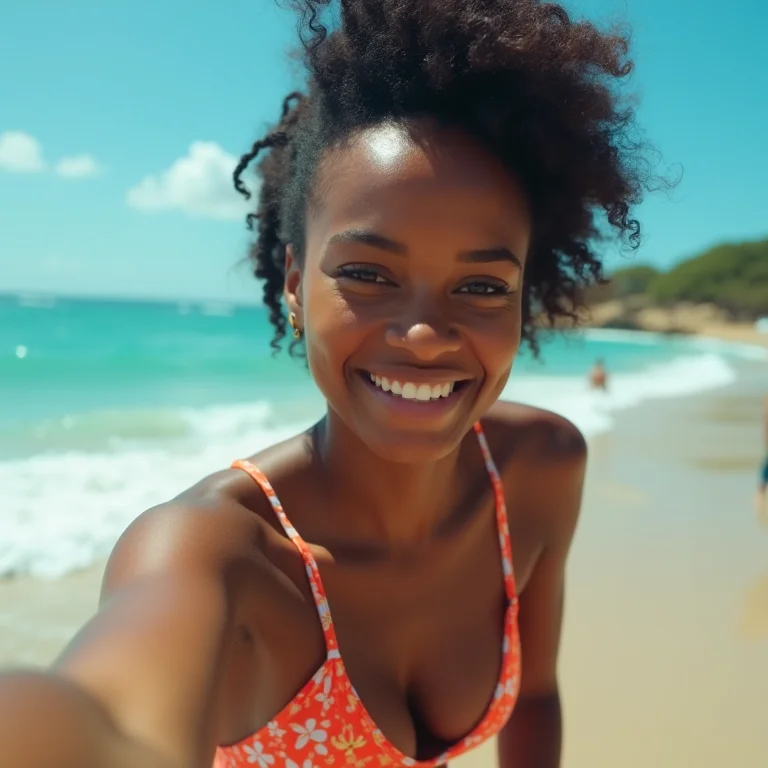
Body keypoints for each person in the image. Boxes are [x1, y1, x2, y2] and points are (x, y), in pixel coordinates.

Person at [0, 2, 660, 766]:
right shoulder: (216, 554)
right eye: (368, 274)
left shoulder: (539, 468)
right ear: (293, 284)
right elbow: (106, 720)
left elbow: (536, 696)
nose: (424, 335)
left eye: (482, 286)